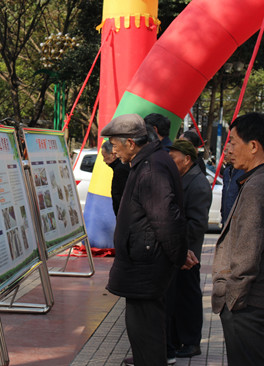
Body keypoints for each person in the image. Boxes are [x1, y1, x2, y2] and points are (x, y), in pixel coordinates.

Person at [101, 113, 187, 366]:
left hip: (146, 266)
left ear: (130, 142)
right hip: (144, 264)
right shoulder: (150, 160)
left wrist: (178, 256)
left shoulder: (150, 168)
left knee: (146, 331)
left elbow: (165, 220)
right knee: (143, 331)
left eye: (115, 145)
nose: (114, 151)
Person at [212, 112, 264, 365]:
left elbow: (247, 254)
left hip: (249, 302)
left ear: (253, 146)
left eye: (234, 142)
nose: (229, 149)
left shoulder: (257, 187)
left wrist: (232, 299)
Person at [166, 140, 212, 360]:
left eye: (173, 158)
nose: (170, 163)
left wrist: (181, 247)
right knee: (178, 298)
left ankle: (192, 342)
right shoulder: (182, 178)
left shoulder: (198, 183)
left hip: (188, 253)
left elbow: (196, 224)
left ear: (186, 159)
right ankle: (178, 338)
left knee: (188, 298)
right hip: (179, 252)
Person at [101, 140, 130, 216]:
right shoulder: (122, 166)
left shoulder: (120, 170)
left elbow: (121, 196)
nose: (104, 160)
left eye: (104, 156)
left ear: (113, 155)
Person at [220, 143, 244, 225]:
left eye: (227, 151)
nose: (225, 154)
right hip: (226, 221)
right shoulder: (227, 172)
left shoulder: (244, 172)